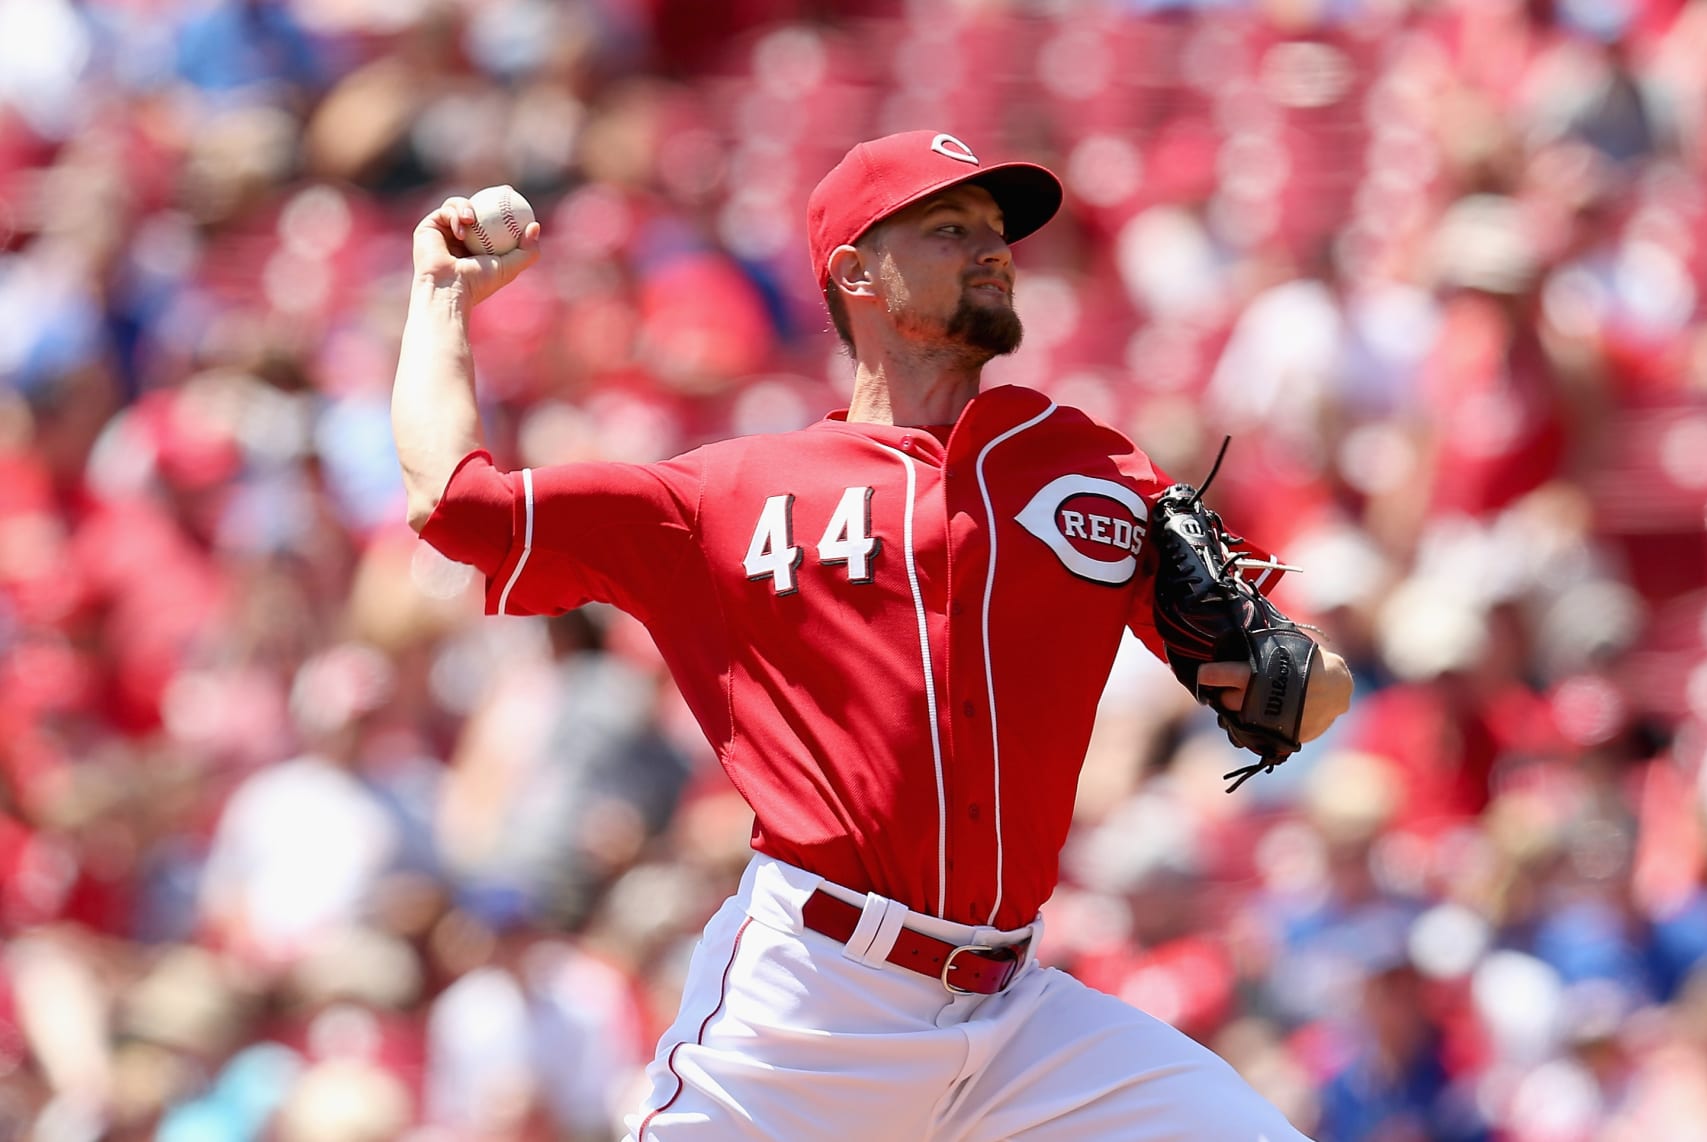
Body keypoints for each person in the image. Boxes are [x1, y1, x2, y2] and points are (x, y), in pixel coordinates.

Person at [392, 129, 1354, 1141]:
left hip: (1017, 1015)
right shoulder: (726, 493)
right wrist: (441, 295)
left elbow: (1308, 696)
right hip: (814, 1000)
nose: (990, 248)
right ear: (856, 271)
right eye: (948, 228)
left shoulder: (1088, 464)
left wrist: (1277, 664)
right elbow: (455, 502)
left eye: (996, 231)